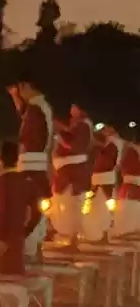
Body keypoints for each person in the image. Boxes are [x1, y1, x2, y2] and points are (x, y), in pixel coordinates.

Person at [10, 76, 53, 260]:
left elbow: (27, 130)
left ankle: (30, 253)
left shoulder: (36, 109)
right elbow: (24, 113)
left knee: (30, 211)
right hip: (34, 165)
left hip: (32, 167)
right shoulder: (39, 107)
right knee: (35, 212)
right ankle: (33, 251)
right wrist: (15, 97)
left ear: (27, 86)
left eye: (20, 89)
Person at [0, 140, 40, 275]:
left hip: (1, 240)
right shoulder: (28, 183)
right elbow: (37, 213)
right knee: (15, 278)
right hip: (17, 237)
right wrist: (25, 231)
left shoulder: (2, 183)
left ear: (0, 160)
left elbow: (0, 212)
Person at [50, 102, 93, 243]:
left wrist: (61, 130)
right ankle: (70, 238)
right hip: (68, 171)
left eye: (74, 107)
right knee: (67, 206)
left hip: (72, 173)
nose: (71, 111)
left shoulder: (83, 126)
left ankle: (73, 239)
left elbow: (74, 145)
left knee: (72, 206)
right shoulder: (77, 126)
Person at [82, 123, 124, 242]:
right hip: (101, 176)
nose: (105, 130)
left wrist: (98, 147)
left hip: (105, 176)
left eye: (107, 128)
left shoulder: (113, 143)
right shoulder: (111, 142)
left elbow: (107, 159)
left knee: (107, 202)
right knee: (91, 200)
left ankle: (108, 229)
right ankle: (85, 227)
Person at [111, 130, 140, 238]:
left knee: (126, 215)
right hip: (133, 186)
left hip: (130, 187)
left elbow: (121, 166)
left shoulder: (130, 150)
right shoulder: (131, 150)